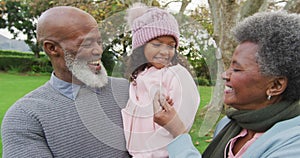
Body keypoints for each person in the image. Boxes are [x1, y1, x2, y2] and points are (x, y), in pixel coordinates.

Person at [154, 11, 300, 158]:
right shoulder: (229, 123)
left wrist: (178, 132)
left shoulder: (293, 144)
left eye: (236, 69)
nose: (225, 75)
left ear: (275, 86)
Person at [1, 6, 131, 157]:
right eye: (87, 44)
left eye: (99, 42)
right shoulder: (25, 117)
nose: (98, 50)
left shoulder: (127, 90)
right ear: (52, 48)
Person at [121, 3, 200, 158]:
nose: (165, 52)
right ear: (141, 46)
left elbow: (184, 116)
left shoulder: (177, 74)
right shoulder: (139, 77)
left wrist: (152, 152)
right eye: (157, 44)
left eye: (171, 46)